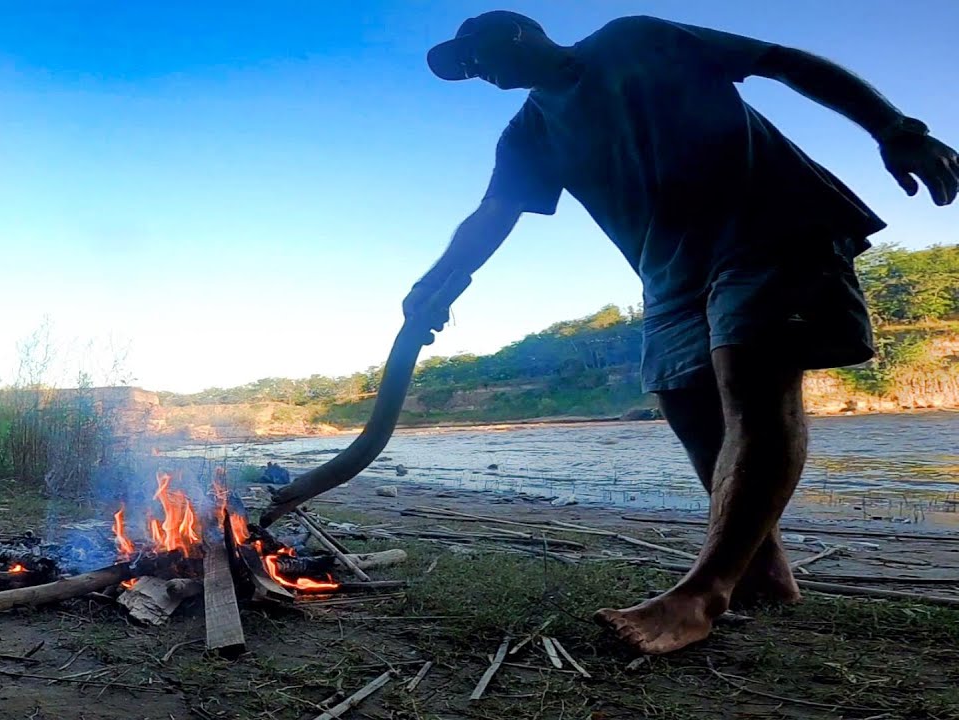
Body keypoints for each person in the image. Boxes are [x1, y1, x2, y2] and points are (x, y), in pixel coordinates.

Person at [407, 11, 957, 655]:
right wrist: (438, 283)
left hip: (767, 221)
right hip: (669, 273)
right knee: (685, 401)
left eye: (477, 54)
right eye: (465, 68)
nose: (476, 70)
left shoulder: (635, 41)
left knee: (750, 374)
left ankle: (704, 592)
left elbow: (783, 58)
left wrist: (897, 128)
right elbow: (493, 213)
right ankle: (764, 575)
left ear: (519, 33)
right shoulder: (529, 132)